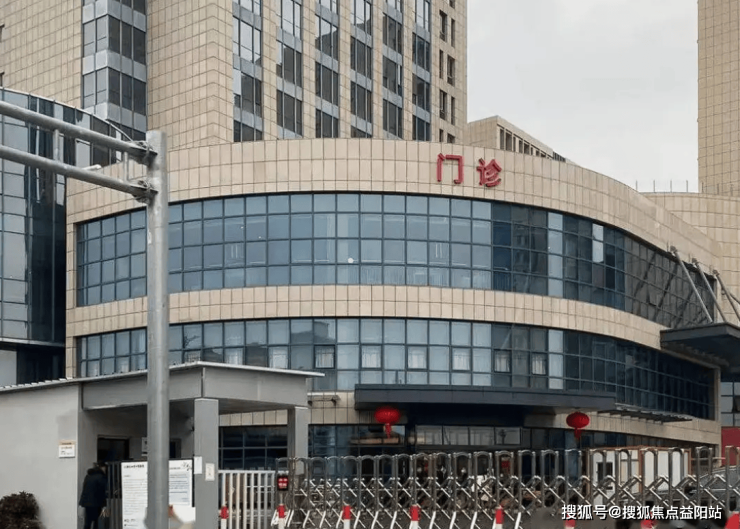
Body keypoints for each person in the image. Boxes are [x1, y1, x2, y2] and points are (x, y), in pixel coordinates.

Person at [79, 462, 109, 529]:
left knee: (87, 523)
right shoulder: (101, 477)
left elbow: (84, 490)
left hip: (87, 504)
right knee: (97, 523)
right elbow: (102, 492)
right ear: (102, 467)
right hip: (97, 504)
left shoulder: (88, 476)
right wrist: (104, 505)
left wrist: (81, 503)